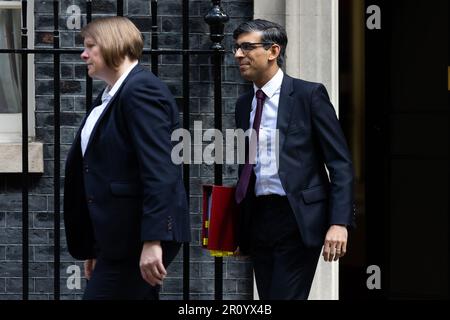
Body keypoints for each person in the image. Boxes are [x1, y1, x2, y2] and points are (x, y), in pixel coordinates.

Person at [63, 17, 190, 300]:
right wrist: (97, 248)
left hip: (137, 238)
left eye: (90, 46)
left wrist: (153, 240)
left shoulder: (141, 91)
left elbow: (160, 169)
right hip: (117, 240)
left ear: (113, 45)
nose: (83, 54)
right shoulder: (110, 94)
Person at [233, 19, 356, 300]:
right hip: (259, 221)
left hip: (298, 219)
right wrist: (240, 228)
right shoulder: (243, 105)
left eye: (247, 47)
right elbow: (247, 168)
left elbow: (340, 163)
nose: (238, 55)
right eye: (236, 48)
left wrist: (339, 223)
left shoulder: (308, 95)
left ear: (273, 51)